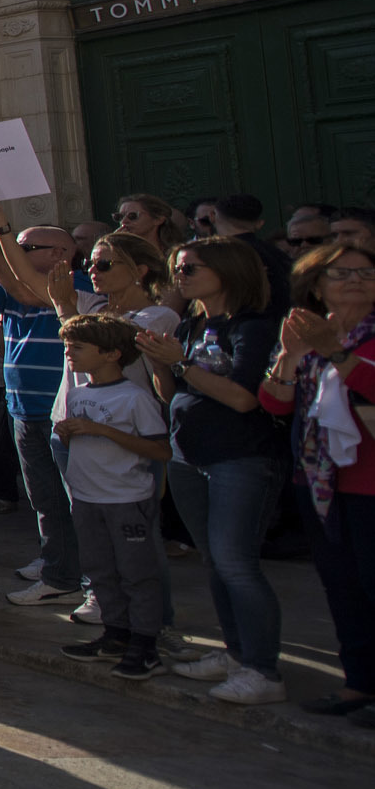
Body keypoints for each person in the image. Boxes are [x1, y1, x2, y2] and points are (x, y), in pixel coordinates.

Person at [139, 238, 288, 704]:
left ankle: (262, 670)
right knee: (216, 562)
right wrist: (159, 363)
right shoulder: (191, 324)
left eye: (191, 268)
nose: (180, 277)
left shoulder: (253, 327)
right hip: (189, 456)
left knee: (236, 563)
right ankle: (236, 653)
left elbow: (243, 398)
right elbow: (172, 393)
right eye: (178, 269)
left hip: (240, 457)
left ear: (228, 270)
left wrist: (180, 362)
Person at [263, 241, 375, 719]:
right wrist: (290, 357)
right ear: (316, 285)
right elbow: (275, 402)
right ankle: (359, 683)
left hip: (370, 485)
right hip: (322, 484)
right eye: (341, 273)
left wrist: (336, 354)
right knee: (342, 586)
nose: (355, 281)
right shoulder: (308, 332)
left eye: (365, 273)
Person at [53, 314, 175, 682]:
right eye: (67, 346)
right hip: (86, 497)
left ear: (111, 354)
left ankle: (146, 644)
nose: (69, 353)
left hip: (126, 499)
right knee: (99, 570)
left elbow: (161, 450)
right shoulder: (77, 394)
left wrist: (102, 430)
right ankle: (116, 634)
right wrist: (69, 433)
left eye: (78, 347)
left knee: (137, 573)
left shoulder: (134, 397)